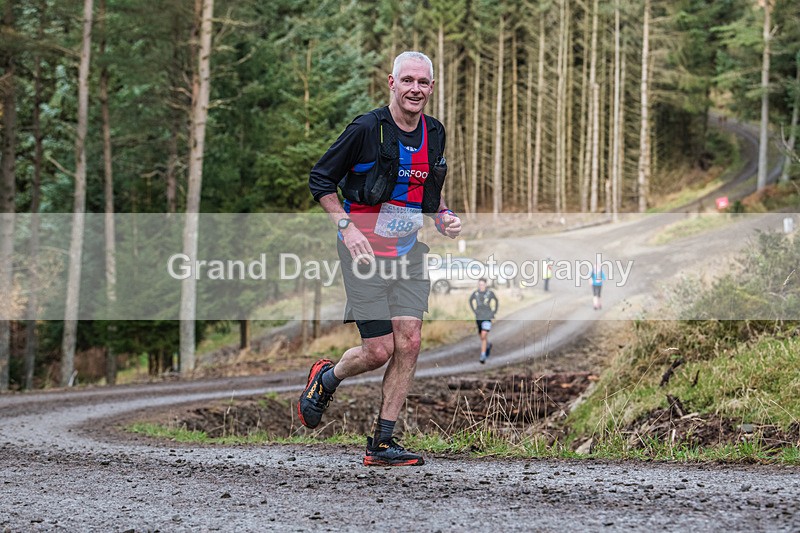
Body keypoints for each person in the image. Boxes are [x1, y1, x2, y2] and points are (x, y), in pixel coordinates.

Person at [300, 51, 461, 467]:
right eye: (407, 81)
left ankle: (382, 443)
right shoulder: (367, 128)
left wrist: (443, 216)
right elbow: (320, 179)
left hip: (408, 252)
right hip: (364, 252)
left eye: (423, 83)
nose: (415, 89)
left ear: (431, 87)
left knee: (409, 340)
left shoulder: (435, 132)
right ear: (391, 83)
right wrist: (345, 226)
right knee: (378, 350)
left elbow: (429, 190)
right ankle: (326, 378)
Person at [469, 278, 498, 364]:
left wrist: (494, 311)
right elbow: (470, 300)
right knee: (481, 335)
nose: (481, 286)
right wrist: (474, 310)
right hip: (478, 317)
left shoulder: (490, 293)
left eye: (482, 284)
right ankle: (488, 345)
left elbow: (496, 301)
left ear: (485, 284)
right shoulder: (476, 293)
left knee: (483, 335)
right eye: (479, 284)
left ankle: (483, 355)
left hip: (487, 316)